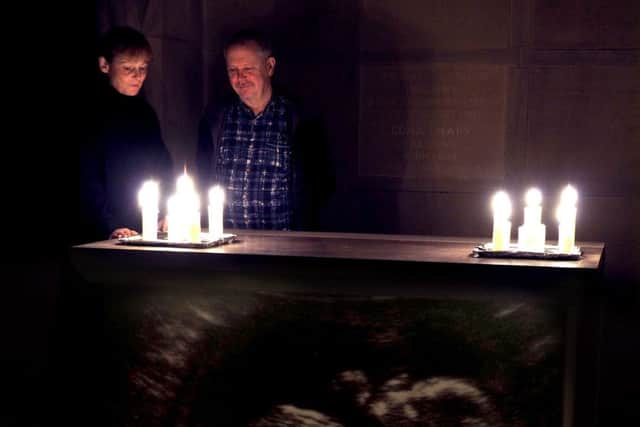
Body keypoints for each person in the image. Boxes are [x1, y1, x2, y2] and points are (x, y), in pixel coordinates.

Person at [197, 30, 326, 230]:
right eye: (233, 70)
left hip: (285, 248)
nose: (240, 78)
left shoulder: (298, 119)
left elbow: (319, 185)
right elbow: (201, 176)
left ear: (269, 66)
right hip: (227, 244)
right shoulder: (216, 118)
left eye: (248, 69)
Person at [80, 26, 172, 240]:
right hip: (100, 232)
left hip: (143, 227)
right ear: (104, 65)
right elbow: (86, 178)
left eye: (143, 68)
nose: (138, 76)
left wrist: (165, 211)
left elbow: (162, 165)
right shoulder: (90, 114)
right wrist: (108, 225)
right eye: (128, 68)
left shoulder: (145, 113)